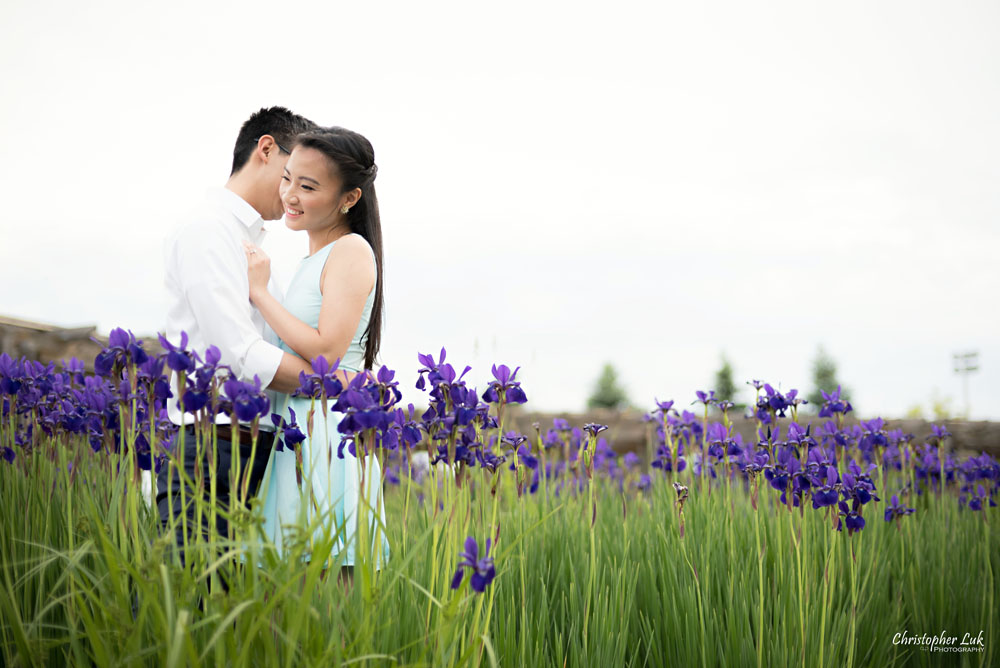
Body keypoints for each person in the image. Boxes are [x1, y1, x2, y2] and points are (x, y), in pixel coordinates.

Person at [157, 107, 318, 558]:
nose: (295, 194)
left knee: (227, 615)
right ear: (266, 149)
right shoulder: (208, 230)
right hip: (213, 447)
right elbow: (237, 353)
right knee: (191, 605)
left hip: (246, 449)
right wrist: (325, 381)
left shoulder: (247, 243)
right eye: (294, 176)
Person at [242, 126, 389, 570]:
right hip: (295, 431)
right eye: (287, 178)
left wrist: (260, 293)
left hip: (327, 439)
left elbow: (325, 354)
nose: (290, 194)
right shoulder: (313, 260)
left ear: (348, 199)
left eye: (308, 186)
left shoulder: (351, 251)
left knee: (327, 604)